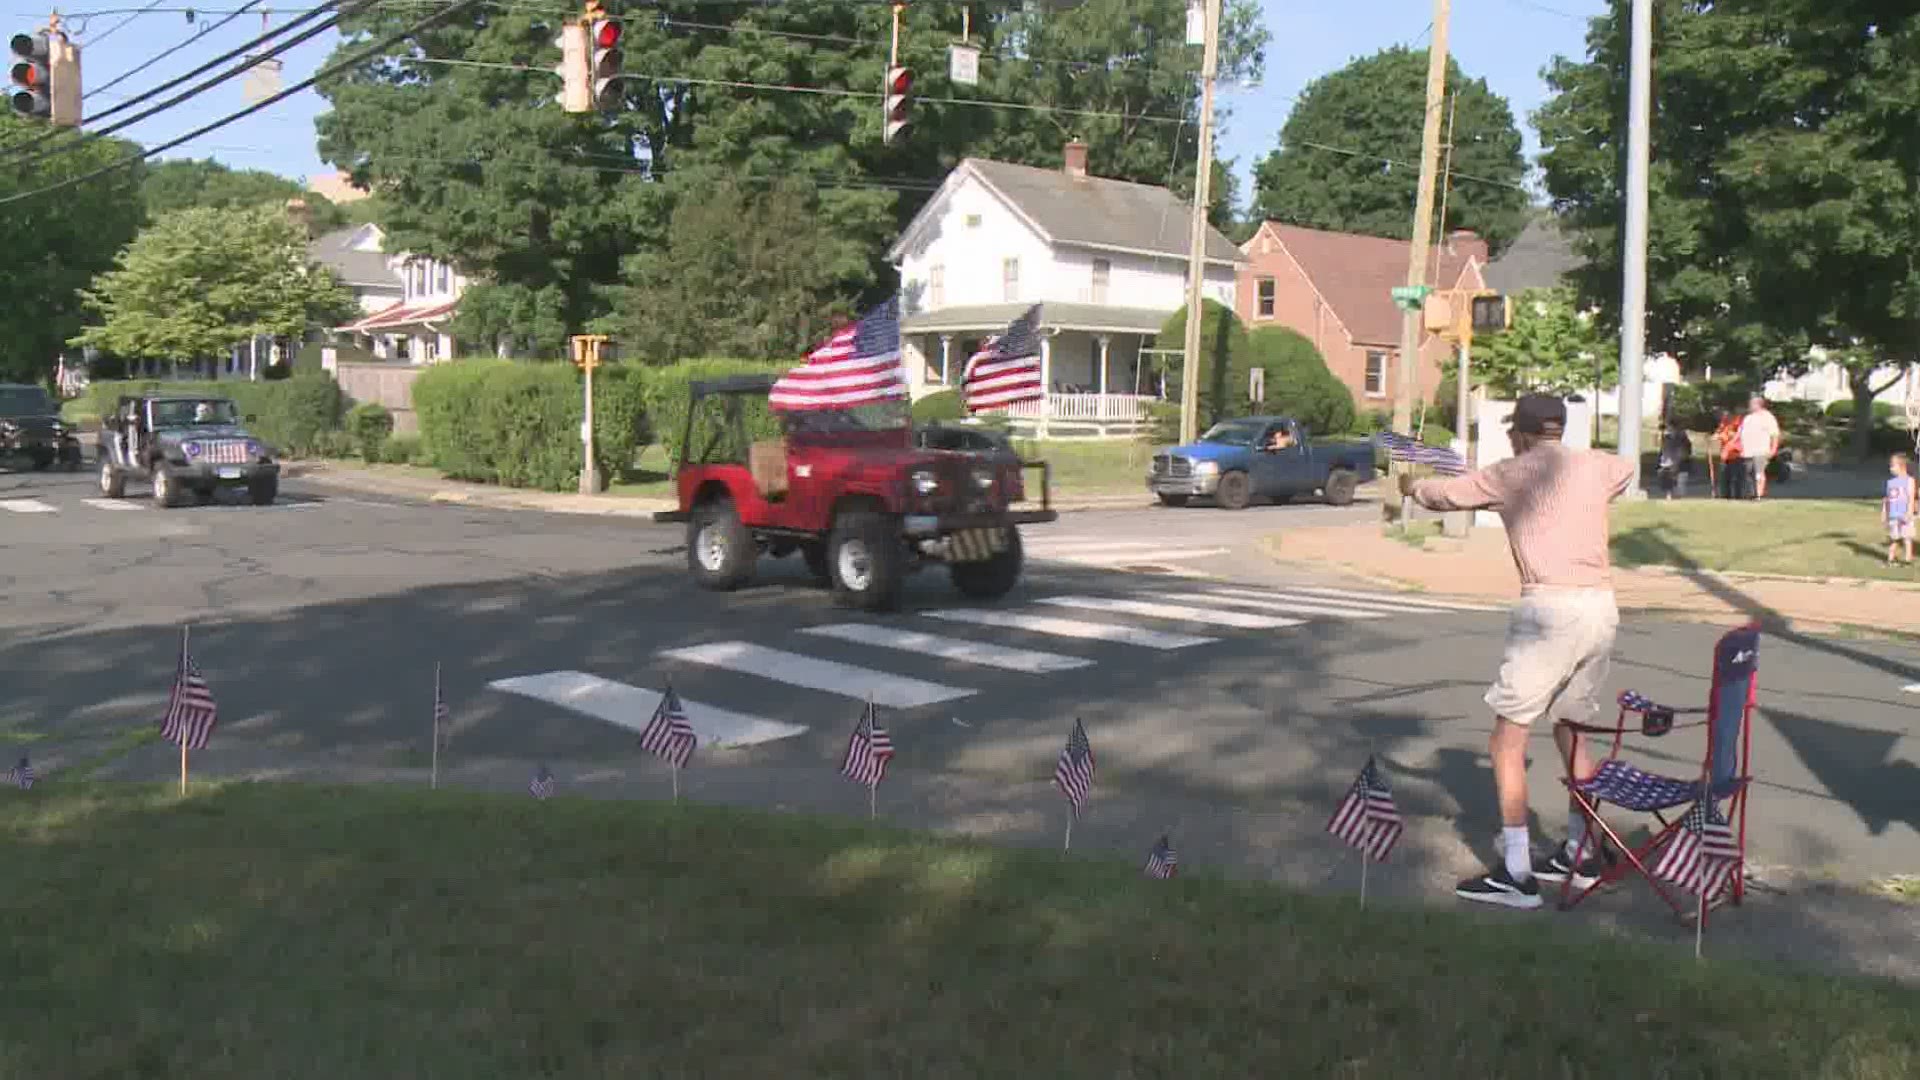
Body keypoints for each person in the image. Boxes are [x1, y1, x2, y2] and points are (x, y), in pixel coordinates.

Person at [1398, 393, 1636, 909]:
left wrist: (1411, 485)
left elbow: (1443, 496)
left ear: (1521, 432)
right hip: (1601, 606)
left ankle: (1517, 874)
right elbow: (1625, 469)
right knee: (1573, 729)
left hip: (1549, 609)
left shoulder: (1510, 472)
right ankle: (1581, 851)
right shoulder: (1596, 465)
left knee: (1507, 742)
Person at [1739, 395, 1780, 499]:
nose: (1749, 406)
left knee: (1759, 473)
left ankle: (1759, 494)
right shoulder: (1748, 418)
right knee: (1748, 473)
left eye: (1752, 404)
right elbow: (1740, 433)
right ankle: (1751, 493)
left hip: (1761, 450)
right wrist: (1740, 448)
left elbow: (1775, 434)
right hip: (1748, 451)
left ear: (1758, 404)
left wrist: (1773, 449)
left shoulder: (1768, 417)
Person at [1886, 453, 1916, 565]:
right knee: (1894, 538)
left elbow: (1911, 497)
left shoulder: (1909, 480)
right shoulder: (1890, 482)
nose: (1891, 468)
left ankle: (1908, 559)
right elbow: (1888, 500)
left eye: (1893, 465)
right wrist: (1886, 514)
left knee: (1907, 537)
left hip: (1905, 514)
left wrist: (1909, 512)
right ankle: (1890, 558)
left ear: (1902, 466)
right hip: (1894, 516)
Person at [1656, 420, 1692, 500]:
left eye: (1670, 428)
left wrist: (1678, 460)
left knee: (1679, 484)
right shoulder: (1667, 438)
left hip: (1680, 463)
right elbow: (1662, 446)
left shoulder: (1681, 438)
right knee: (1667, 479)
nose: (1668, 431)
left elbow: (1685, 451)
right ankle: (1669, 495)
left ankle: (1677, 497)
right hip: (1669, 462)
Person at [1712, 409, 1742, 499]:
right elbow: (1718, 433)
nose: (1723, 417)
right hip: (1725, 456)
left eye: (1725, 414)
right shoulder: (1723, 424)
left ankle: (1737, 496)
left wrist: (1723, 436)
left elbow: (1737, 435)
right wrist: (1714, 436)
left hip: (1735, 454)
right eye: (1722, 415)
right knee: (1724, 477)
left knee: (1736, 478)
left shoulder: (1737, 422)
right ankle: (1725, 496)